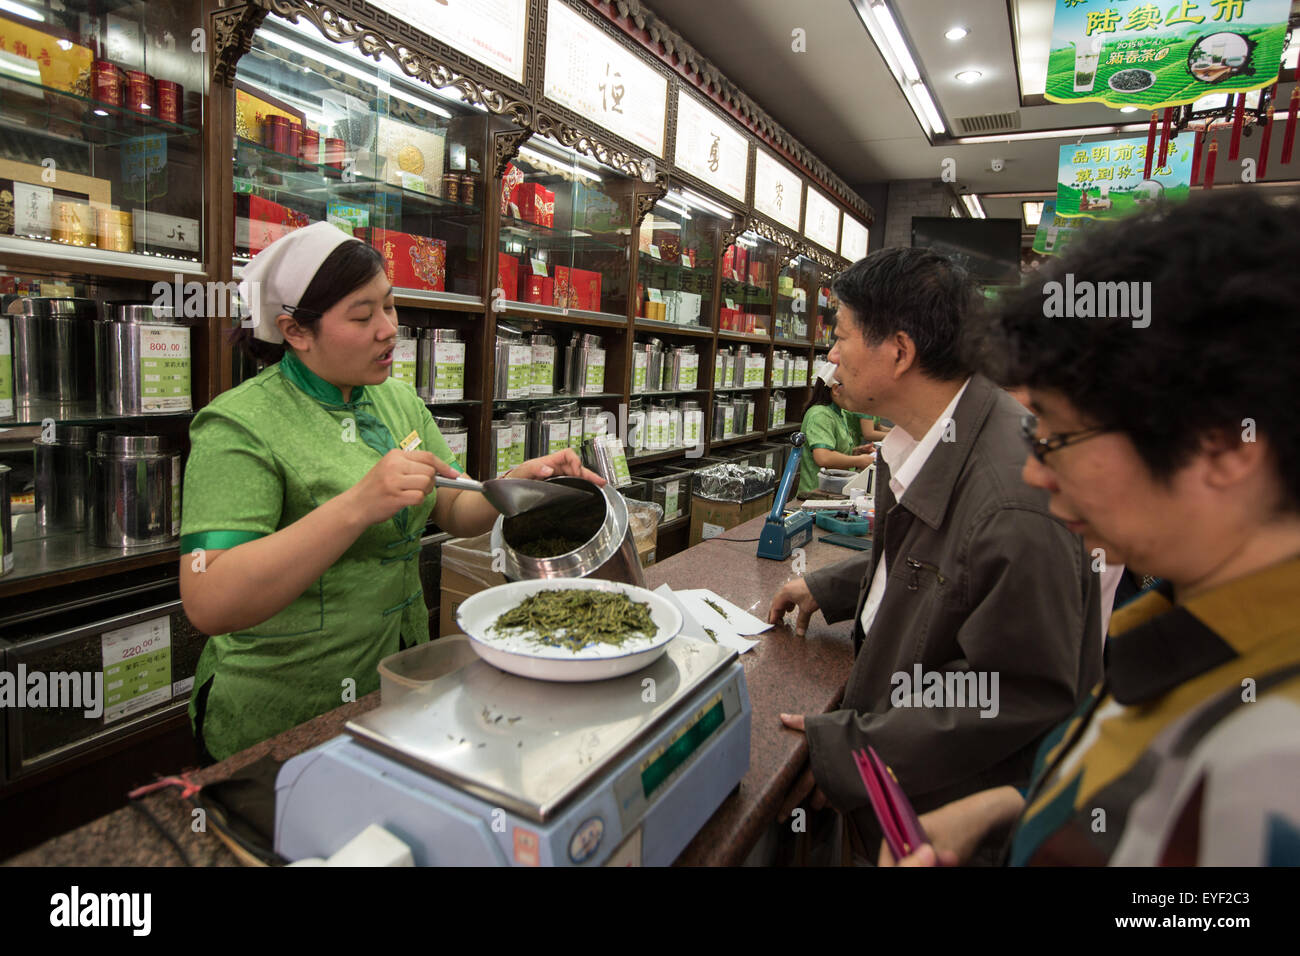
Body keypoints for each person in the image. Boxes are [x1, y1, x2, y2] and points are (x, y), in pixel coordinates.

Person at [883, 191, 1300, 867]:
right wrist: (1012, 809)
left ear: (1222, 448)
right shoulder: (1190, 624)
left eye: (1056, 433)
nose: (1036, 472)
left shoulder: (1264, 771)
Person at [179, 223, 603, 762]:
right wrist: (356, 507)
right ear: (295, 331)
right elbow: (208, 598)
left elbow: (453, 504)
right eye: (362, 316)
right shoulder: (240, 425)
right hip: (282, 713)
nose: (388, 330)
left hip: (394, 684)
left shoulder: (397, 400)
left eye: (391, 307)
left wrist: (515, 486)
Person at [768, 246, 1102, 864]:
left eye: (840, 335)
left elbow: (1013, 688)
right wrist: (836, 587)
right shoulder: (940, 435)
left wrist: (853, 750)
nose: (832, 354)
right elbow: (934, 568)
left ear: (898, 351)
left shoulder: (1010, 495)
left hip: (948, 825)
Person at [797, 377, 876, 495]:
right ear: (835, 389)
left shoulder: (838, 412)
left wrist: (855, 452)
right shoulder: (820, 414)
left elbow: (833, 449)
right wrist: (859, 461)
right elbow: (823, 457)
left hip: (834, 490)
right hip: (817, 493)